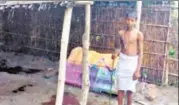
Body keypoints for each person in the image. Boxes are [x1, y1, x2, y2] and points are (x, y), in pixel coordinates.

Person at [112, 11, 144, 105]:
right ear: (125, 20)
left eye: (132, 20)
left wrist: (138, 70)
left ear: (135, 21)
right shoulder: (120, 33)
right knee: (120, 90)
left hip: (132, 63)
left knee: (130, 91)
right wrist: (115, 55)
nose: (129, 22)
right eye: (128, 20)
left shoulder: (139, 34)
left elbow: (141, 53)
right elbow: (118, 49)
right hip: (122, 62)